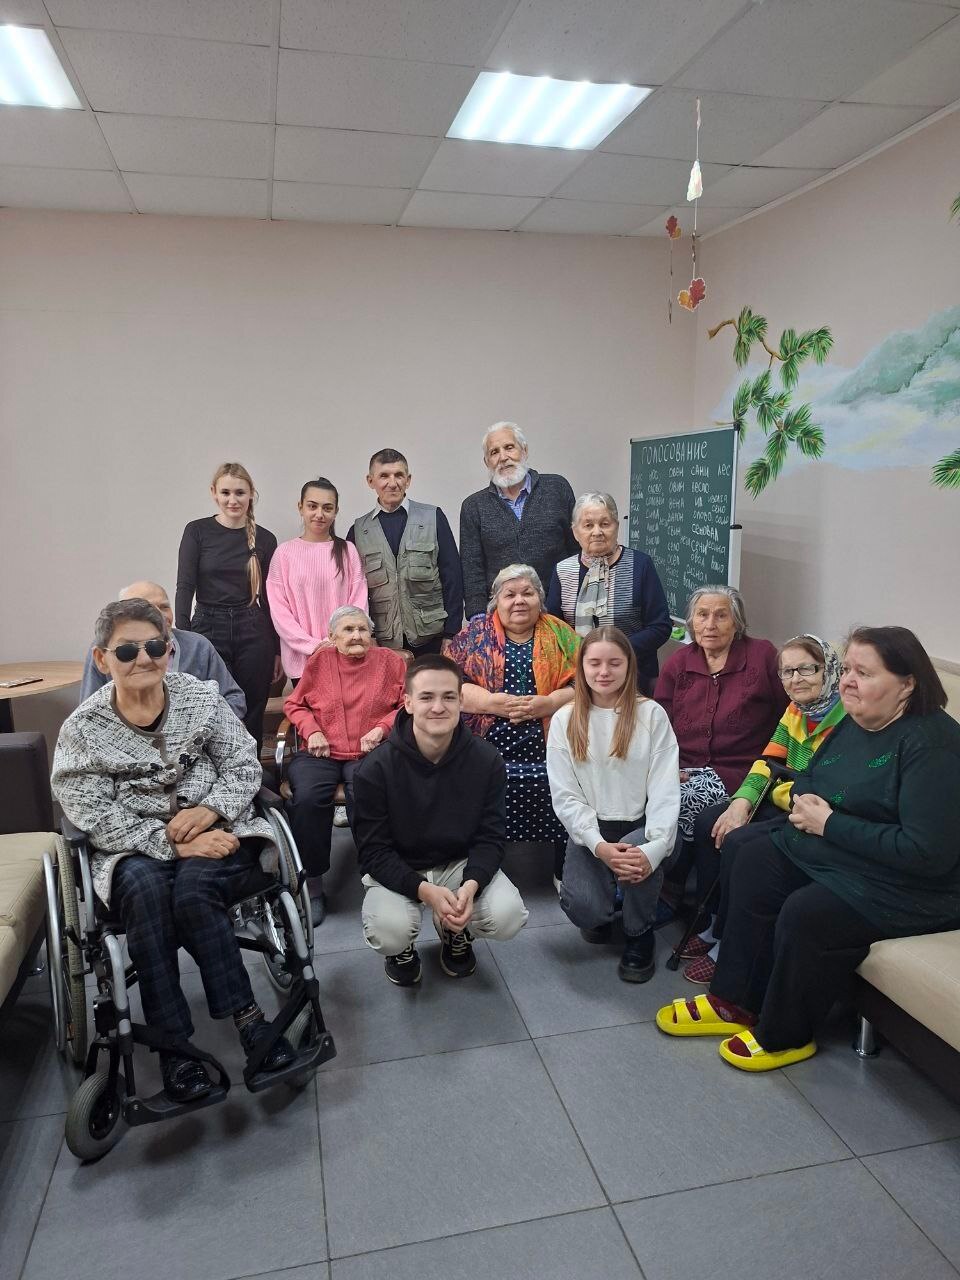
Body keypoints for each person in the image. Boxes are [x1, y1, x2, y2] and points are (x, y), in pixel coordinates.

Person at [656, 626, 960, 1072]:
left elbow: (926, 853)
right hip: (845, 851)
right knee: (750, 855)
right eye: (847, 669)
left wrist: (830, 822)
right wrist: (807, 805)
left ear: (907, 683)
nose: (847, 682)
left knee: (806, 911)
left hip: (910, 885)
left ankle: (785, 1034)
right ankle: (732, 1001)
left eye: (863, 673)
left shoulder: (932, 746)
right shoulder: (856, 721)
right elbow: (809, 776)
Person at [52, 599, 294, 1105]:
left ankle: (249, 1020)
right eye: (127, 650)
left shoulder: (200, 699)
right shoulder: (83, 728)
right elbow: (89, 810)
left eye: (155, 646)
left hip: (220, 831)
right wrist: (170, 843)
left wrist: (209, 810)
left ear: (169, 650)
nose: (143, 658)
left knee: (194, 891)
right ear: (102, 660)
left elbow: (244, 765)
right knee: (144, 892)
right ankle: (174, 1048)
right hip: (130, 849)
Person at [679, 634, 845, 984]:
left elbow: (815, 788)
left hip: (808, 813)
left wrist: (775, 791)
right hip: (782, 799)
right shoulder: (795, 711)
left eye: (807, 669)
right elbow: (768, 762)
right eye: (787, 672)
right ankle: (712, 921)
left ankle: (729, 939)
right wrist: (741, 803)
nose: (795, 679)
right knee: (712, 822)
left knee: (740, 844)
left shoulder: (846, 718)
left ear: (829, 670)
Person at [353, 654, 528, 986]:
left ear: (461, 701)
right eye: (426, 697)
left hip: (458, 864)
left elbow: (491, 837)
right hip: (401, 865)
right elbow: (373, 853)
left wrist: (471, 885)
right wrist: (425, 892)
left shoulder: (486, 760)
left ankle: (455, 932)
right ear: (407, 703)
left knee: (507, 916)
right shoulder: (374, 770)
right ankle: (401, 948)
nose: (438, 707)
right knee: (389, 931)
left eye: (448, 697)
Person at [547, 627, 680, 983]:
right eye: (594, 663)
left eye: (614, 663)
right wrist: (598, 845)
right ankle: (606, 907)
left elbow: (665, 792)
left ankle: (639, 932)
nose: (604, 672)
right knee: (584, 908)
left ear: (629, 666)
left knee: (636, 857)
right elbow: (566, 796)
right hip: (594, 829)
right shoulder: (564, 720)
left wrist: (655, 847)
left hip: (644, 825)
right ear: (581, 667)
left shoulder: (651, 715)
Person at [655, 584, 788, 915]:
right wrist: (665, 767)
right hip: (684, 765)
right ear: (691, 621)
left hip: (741, 770)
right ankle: (649, 881)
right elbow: (658, 724)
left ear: (737, 622)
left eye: (721, 615)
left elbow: (789, 715)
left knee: (682, 798)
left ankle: (671, 890)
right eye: (702, 615)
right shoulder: (679, 663)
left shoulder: (762, 656)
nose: (710, 624)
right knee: (653, 791)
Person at [447, 563, 580, 881]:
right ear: (496, 601)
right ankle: (480, 865)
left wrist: (550, 703)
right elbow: (447, 685)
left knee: (568, 781)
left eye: (527, 593)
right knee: (471, 781)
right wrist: (492, 702)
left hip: (550, 738)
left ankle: (563, 869)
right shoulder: (473, 635)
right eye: (510, 594)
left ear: (540, 599)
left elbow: (587, 685)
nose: (519, 600)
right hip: (486, 738)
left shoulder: (561, 633)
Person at [283, 606, 406, 925]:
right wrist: (312, 730)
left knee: (366, 795)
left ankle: (378, 874)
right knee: (308, 798)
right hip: (321, 751)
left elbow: (408, 704)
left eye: (362, 629)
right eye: (348, 630)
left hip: (369, 750)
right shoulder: (319, 662)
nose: (356, 636)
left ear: (372, 635)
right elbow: (294, 704)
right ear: (332, 637)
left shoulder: (390, 662)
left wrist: (382, 728)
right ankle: (313, 885)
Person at [175, 462, 279, 754]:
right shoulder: (197, 531)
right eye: (226, 493)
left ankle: (250, 773)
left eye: (240, 493)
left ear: (251, 494)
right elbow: (185, 586)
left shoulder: (266, 539)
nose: (233, 500)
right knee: (214, 706)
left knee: (253, 708)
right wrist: (184, 640)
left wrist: (277, 649)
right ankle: (218, 773)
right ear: (214, 493)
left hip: (253, 630)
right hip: (208, 628)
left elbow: (271, 599)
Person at [546, 492, 671, 693]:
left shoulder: (640, 565)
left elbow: (660, 626)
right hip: (577, 679)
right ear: (575, 532)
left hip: (634, 677)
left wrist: (614, 652)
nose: (597, 532)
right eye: (588, 525)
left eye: (605, 524)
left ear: (617, 526)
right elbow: (553, 629)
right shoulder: (563, 570)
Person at [347, 448, 463, 657]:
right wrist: (367, 635)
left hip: (432, 638)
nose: (392, 483)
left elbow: (452, 577)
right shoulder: (358, 531)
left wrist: (451, 633)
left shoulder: (433, 517)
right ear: (370, 481)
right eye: (384, 476)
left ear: (408, 480)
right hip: (382, 641)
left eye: (399, 475)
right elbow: (354, 592)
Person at [459, 421, 579, 621]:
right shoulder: (473, 506)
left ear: (524, 450)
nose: (503, 457)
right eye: (494, 452)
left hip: (560, 612)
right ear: (487, 462)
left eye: (509, 447)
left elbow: (577, 549)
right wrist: (478, 616)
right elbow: (472, 568)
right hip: (504, 616)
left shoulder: (557, 488)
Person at [80, 580, 246, 719]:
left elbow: (234, 698)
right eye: (147, 609)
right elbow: (89, 712)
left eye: (164, 607)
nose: (160, 615)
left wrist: (202, 726)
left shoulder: (198, 646)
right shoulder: (107, 650)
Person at [266, 477, 368, 686]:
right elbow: (279, 612)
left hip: (344, 655)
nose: (319, 514)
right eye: (312, 506)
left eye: (327, 508)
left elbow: (358, 604)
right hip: (301, 660)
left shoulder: (348, 551)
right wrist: (313, 645)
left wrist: (338, 641)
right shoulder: (284, 554)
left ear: (336, 511)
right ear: (300, 507)